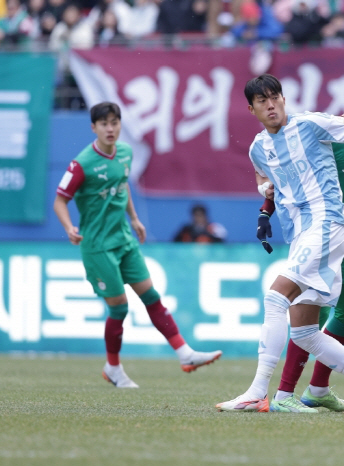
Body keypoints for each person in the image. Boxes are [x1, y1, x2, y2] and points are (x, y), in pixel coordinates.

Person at [216, 74, 344, 414]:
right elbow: (263, 174)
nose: (271, 104)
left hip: (326, 223)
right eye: (263, 101)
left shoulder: (310, 123)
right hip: (301, 235)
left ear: (284, 98)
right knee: (305, 331)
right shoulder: (258, 147)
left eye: (275, 96)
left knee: (276, 298)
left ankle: (258, 392)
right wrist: (264, 191)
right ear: (252, 109)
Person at [54, 102, 222, 388]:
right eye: (104, 123)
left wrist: (134, 218)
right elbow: (60, 199)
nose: (110, 128)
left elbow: (122, 184)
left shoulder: (125, 153)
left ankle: (185, 353)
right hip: (98, 246)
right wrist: (69, 227)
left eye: (114, 122)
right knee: (119, 307)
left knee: (151, 296)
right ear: (93, 128)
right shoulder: (82, 164)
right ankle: (113, 367)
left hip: (123, 240)